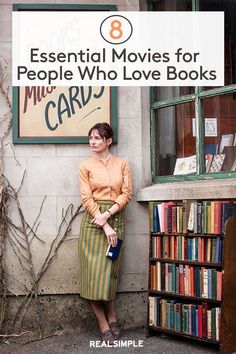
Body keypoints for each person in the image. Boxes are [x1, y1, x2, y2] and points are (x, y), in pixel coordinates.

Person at [78, 122, 132, 343]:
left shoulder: (123, 164)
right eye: (91, 138)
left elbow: (127, 193)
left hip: (115, 218)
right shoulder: (85, 166)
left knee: (109, 273)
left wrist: (108, 214)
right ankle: (103, 324)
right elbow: (86, 197)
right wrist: (103, 221)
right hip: (93, 224)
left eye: (98, 138)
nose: (93, 141)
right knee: (93, 276)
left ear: (108, 141)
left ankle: (112, 316)